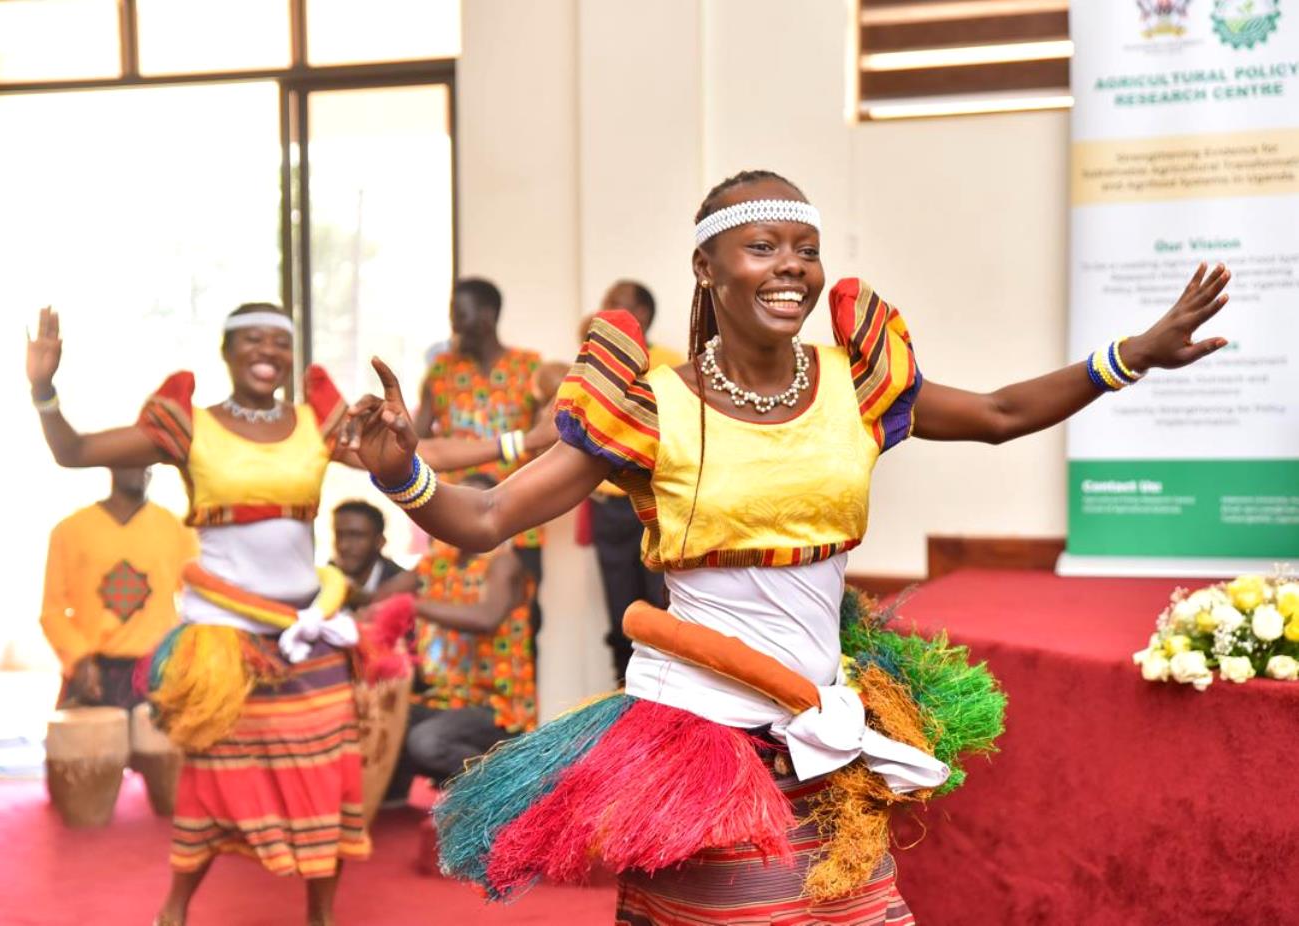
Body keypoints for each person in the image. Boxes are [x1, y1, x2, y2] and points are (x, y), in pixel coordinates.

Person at [346, 170, 1231, 924]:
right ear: (707, 266)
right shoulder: (650, 405)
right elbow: (488, 518)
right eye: (763, 247)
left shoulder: (858, 384)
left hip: (830, 728)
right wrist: (401, 475)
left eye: (804, 249)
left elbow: (1001, 415)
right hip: (702, 737)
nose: (792, 269)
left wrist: (1133, 355)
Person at [25, 301, 555, 926]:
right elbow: (75, 449)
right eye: (251, 339)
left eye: (278, 341)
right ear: (226, 351)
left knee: (326, 783)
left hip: (307, 640)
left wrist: (528, 439)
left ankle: (320, 916)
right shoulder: (189, 425)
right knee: (214, 784)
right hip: (225, 646)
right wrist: (44, 389)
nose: (265, 352)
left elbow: (419, 451)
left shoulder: (315, 426)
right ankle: (173, 910)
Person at [411, 277, 563, 651]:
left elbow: (557, 423)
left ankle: (517, 709)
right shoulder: (440, 372)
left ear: (488, 315)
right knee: (455, 615)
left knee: (521, 624)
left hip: (521, 518)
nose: (454, 325)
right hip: (454, 515)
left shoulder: (529, 367)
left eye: (459, 314)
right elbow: (415, 444)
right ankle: (459, 702)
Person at [375, 472, 537, 801]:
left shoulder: (503, 562)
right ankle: (395, 808)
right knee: (381, 719)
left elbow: (487, 617)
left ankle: (505, 789)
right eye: (462, 507)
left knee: (427, 743)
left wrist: (412, 605)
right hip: (441, 699)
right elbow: (379, 600)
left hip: (494, 706)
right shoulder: (437, 563)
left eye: (479, 507)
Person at [583, 281, 683, 681]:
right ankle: (622, 693)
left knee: (662, 608)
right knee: (619, 610)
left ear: (641, 314)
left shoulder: (670, 363)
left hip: (656, 504)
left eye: (615, 305)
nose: (604, 311)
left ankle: (666, 695)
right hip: (608, 507)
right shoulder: (595, 360)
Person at [41, 465, 196, 709]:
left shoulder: (177, 529)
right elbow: (52, 612)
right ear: (111, 464)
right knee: (85, 746)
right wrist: (79, 661)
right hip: (93, 674)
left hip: (158, 673)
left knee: (160, 747)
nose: (138, 466)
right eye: (129, 459)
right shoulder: (69, 530)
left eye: (146, 460)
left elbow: (197, 601)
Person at [331, 499, 404, 610]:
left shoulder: (401, 583)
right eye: (339, 535)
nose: (343, 545)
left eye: (356, 536)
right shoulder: (322, 579)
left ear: (380, 542)